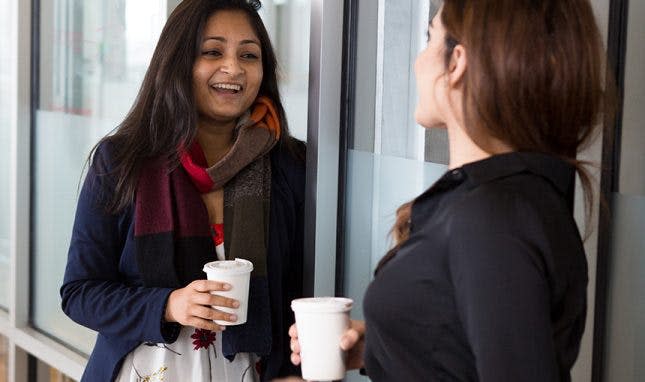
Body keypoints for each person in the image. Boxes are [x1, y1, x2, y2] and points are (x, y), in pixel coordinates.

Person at [290, 0, 610, 381]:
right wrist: (386, 346)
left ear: (457, 63)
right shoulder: (508, 199)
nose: (418, 61)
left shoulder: (492, 219)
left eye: (429, 38)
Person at [60, 1, 305, 381]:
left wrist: (294, 369)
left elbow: (302, 293)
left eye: (249, 54)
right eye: (212, 51)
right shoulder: (122, 161)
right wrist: (168, 304)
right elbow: (80, 293)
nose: (234, 68)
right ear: (177, 62)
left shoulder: (289, 164)